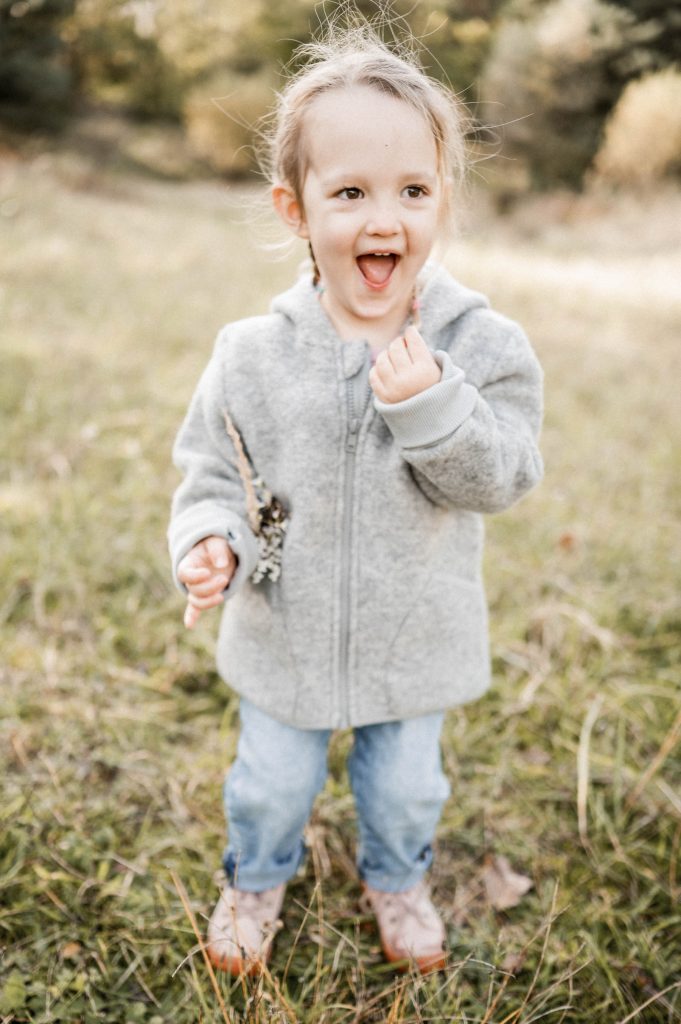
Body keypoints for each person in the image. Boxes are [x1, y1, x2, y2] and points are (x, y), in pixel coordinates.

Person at [167, 18, 543, 977]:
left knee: (408, 788)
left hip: (414, 633)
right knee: (265, 786)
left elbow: (504, 475)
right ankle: (255, 878)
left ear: (441, 199)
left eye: (412, 191)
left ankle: (396, 878)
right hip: (282, 632)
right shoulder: (250, 354)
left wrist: (434, 413)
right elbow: (213, 473)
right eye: (350, 194)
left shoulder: (480, 344)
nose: (385, 220)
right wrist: (208, 539)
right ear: (294, 210)